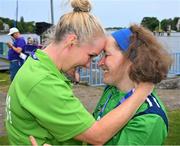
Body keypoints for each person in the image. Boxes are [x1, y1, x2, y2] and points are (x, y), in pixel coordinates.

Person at [5, 0, 153, 145]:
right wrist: (142, 90)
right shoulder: (43, 82)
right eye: (91, 55)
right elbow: (98, 135)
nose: (89, 65)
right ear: (72, 41)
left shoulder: (36, 65)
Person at [93, 24, 172, 145]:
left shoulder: (149, 119)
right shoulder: (111, 90)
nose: (100, 63)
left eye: (106, 55)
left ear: (131, 59)